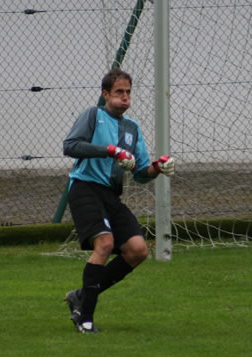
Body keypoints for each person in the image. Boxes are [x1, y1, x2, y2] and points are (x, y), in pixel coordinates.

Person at [62, 68, 176, 333]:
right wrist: (110, 150)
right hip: (84, 188)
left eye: (128, 93)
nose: (125, 98)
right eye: (119, 92)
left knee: (138, 250)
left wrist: (158, 168)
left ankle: (81, 295)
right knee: (105, 242)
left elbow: (140, 173)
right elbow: (70, 146)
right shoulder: (93, 115)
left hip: (110, 195)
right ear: (105, 95)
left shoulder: (132, 128)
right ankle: (85, 319)